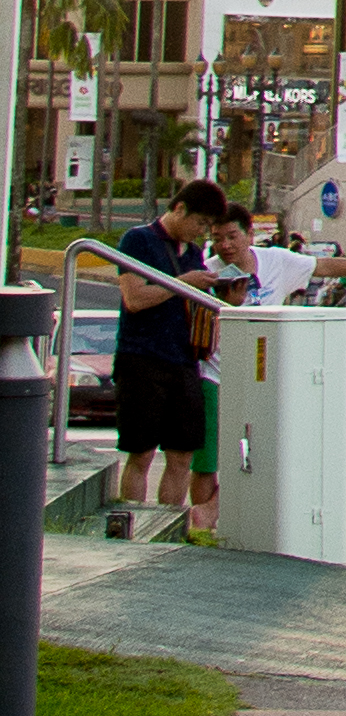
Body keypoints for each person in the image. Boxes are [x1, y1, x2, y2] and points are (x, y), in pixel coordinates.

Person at [108, 183, 241, 539]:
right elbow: (134, 298)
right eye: (199, 222)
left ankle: (167, 529)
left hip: (184, 361)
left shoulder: (193, 254)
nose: (201, 231)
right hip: (142, 357)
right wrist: (182, 282)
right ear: (179, 209)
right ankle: (130, 530)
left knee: (182, 453)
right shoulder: (138, 241)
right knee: (141, 453)